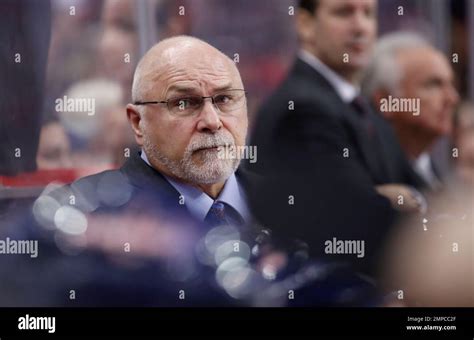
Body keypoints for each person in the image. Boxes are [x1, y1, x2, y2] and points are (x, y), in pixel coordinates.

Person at [248, 0, 424, 274]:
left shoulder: (362, 106)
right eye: (344, 12)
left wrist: (405, 198)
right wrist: (385, 201)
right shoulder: (301, 107)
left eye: (368, 14)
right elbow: (363, 220)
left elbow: (421, 192)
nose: (360, 27)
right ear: (305, 24)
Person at [362, 32, 460, 190]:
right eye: (433, 84)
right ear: (386, 100)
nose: (452, 98)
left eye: (451, 84)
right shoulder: (368, 179)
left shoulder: (433, 177)